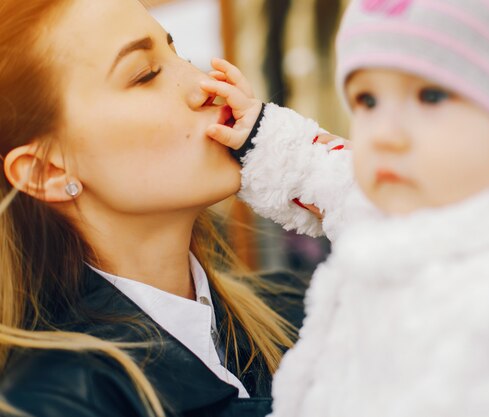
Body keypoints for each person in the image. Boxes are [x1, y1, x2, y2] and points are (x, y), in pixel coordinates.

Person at [208, 0, 489, 415]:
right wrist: (259, 134)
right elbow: (335, 177)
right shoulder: (432, 200)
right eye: (368, 101)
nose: (384, 135)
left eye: (430, 95)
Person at [0, 1, 304, 416]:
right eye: (145, 74)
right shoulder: (54, 402)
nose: (205, 84)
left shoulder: (307, 308)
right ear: (45, 171)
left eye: (177, 53)